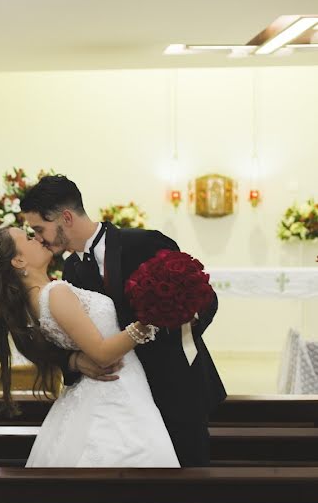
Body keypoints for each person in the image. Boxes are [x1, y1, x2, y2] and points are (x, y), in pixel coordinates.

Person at [20, 175, 226, 466]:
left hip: (175, 386)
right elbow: (74, 336)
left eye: (40, 229)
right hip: (124, 396)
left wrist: (181, 321)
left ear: (65, 218)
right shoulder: (70, 272)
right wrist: (76, 360)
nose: (39, 238)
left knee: (187, 487)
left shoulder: (145, 243)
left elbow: (203, 299)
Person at [0, 226, 179, 466]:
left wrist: (73, 359)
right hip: (115, 389)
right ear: (19, 260)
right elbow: (102, 354)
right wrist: (153, 319)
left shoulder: (32, 301)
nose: (38, 238)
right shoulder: (55, 293)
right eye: (28, 238)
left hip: (98, 390)